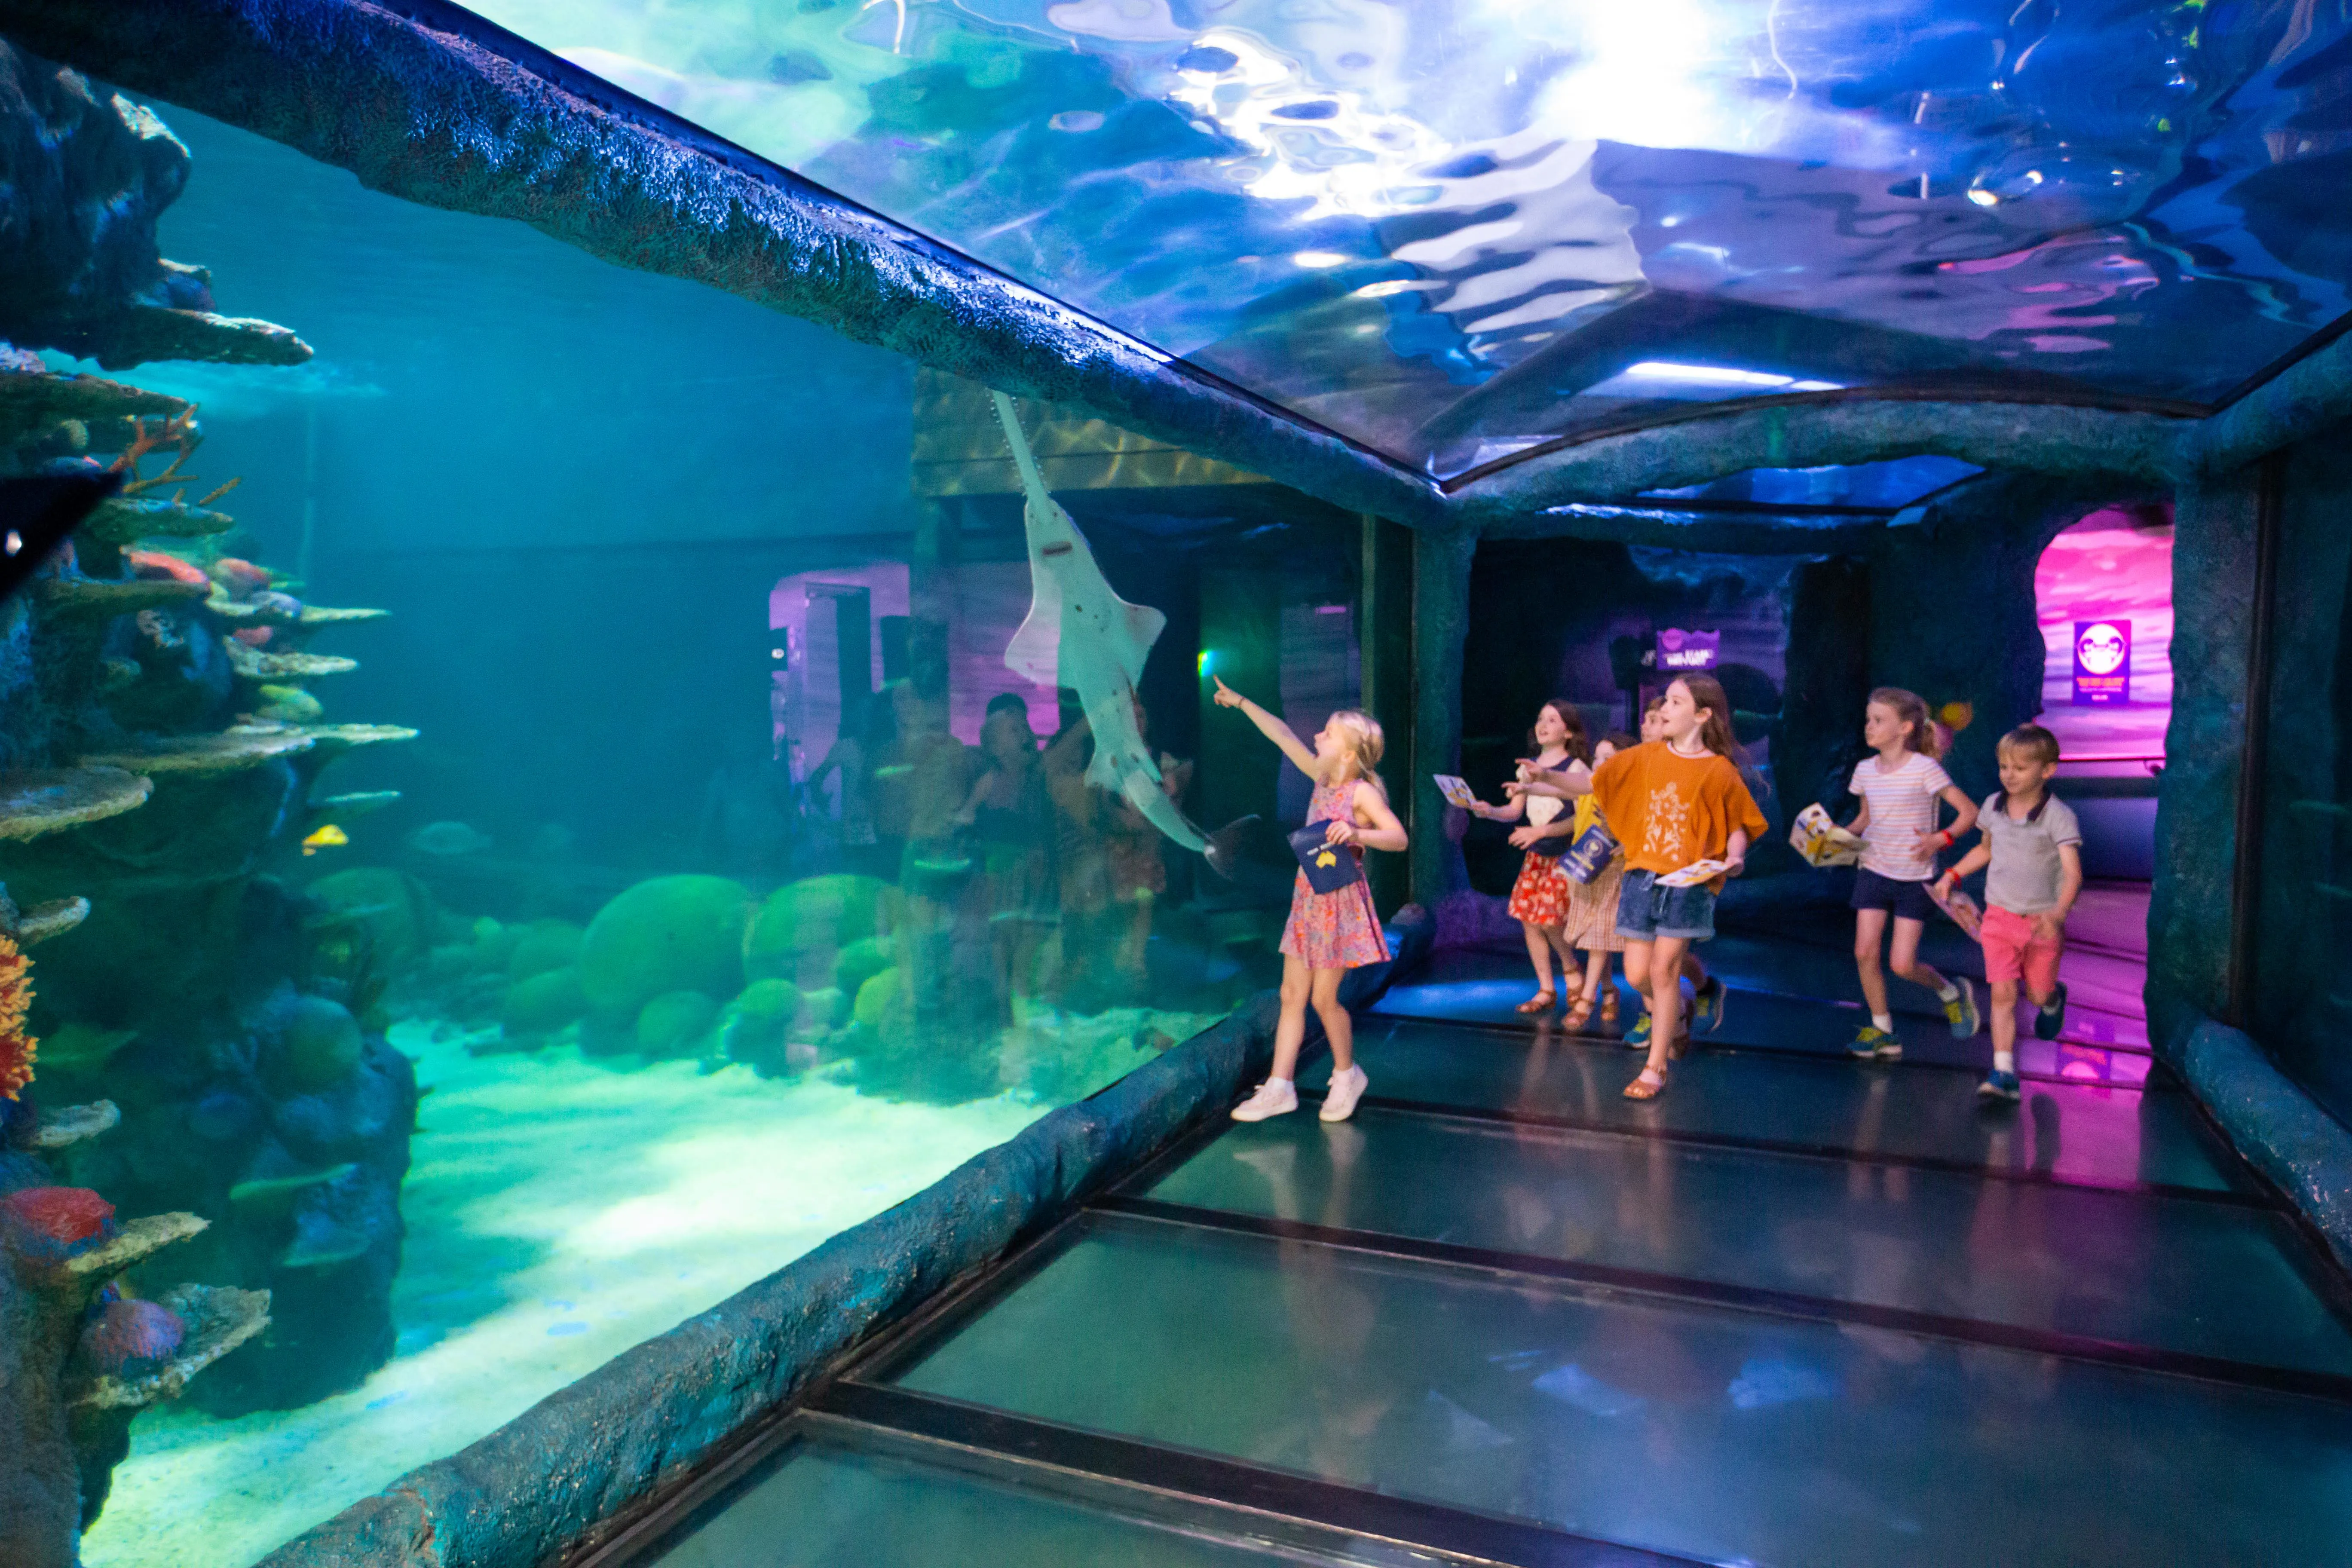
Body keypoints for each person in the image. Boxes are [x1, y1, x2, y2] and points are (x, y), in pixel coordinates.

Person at [1213, 675, 1407, 1124]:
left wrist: (1360, 833)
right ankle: (1280, 1087)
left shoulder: (1362, 792)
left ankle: (1347, 1074)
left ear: (1349, 752)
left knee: (1324, 999)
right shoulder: (1321, 777)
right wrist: (1242, 701)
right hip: (1308, 901)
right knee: (1291, 994)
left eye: (1327, 733)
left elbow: (1398, 837)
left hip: (1339, 905)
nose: (1317, 736)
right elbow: (1281, 732)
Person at [1577, 675, 1766, 1100]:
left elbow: (1738, 825)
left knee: (1663, 971)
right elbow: (1593, 784)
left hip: (1689, 884)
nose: (1663, 708)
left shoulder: (1718, 771)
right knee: (1638, 973)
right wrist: (1542, 781)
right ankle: (1686, 1007)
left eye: (1675, 702)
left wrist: (1734, 857)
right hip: (1643, 877)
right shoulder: (1646, 757)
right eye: (1664, 700)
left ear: (1702, 715)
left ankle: (1655, 1066)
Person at [1934, 723, 2081, 1100]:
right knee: (2002, 994)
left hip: (2041, 924)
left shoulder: (2058, 816)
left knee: (2036, 995)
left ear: (2047, 771)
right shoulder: (1992, 806)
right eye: (2004, 767)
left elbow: (2073, 873)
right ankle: (2003, 1072)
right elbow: (1986, 848)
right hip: (1998, 918)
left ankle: (2053, 999)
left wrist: (2058, 914)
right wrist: (1953, 874)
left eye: (2019, 768)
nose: (2009, 776)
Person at [1845, 687, 1981, 1060]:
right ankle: (1883, 1030)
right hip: (1873, 869)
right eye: (1868, 720)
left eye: (1878, 721)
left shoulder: (1925, 769)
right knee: (1864, 953)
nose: (1869, 727)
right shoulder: (1865, 770)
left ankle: (1951, 992)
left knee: (1902, 964)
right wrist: (1834, 839)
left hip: (1913, 878)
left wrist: (1941, 838)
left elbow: (1970, 813)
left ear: (1905, 728)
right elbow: (1865, 818)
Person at [1464, 700, 1591, 1015]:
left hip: (1565, 856)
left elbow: (1584, 819)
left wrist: (1543, 832)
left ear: (1569, 731)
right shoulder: (1528, 766)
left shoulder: (1576, 769)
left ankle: (1571, 966)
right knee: (1529, 922)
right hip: (1537, 857)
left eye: (1553, 719)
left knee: (1548, 920)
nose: (1543, 725)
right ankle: (1546, 988)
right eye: (1540, 718)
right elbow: (1515, 811)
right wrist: (1490, 811)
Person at [1556, 730, 1637, 1032]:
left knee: (1598, 936)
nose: (1600, 763)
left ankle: (1587, 1000)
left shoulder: (1631, 792)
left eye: (1609, 758)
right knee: (1594, 937)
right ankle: (1608, 992)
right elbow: (1562, 795)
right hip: (1583, 864)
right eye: (1597, 757)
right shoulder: (1589, 787)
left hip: (1613, 869)